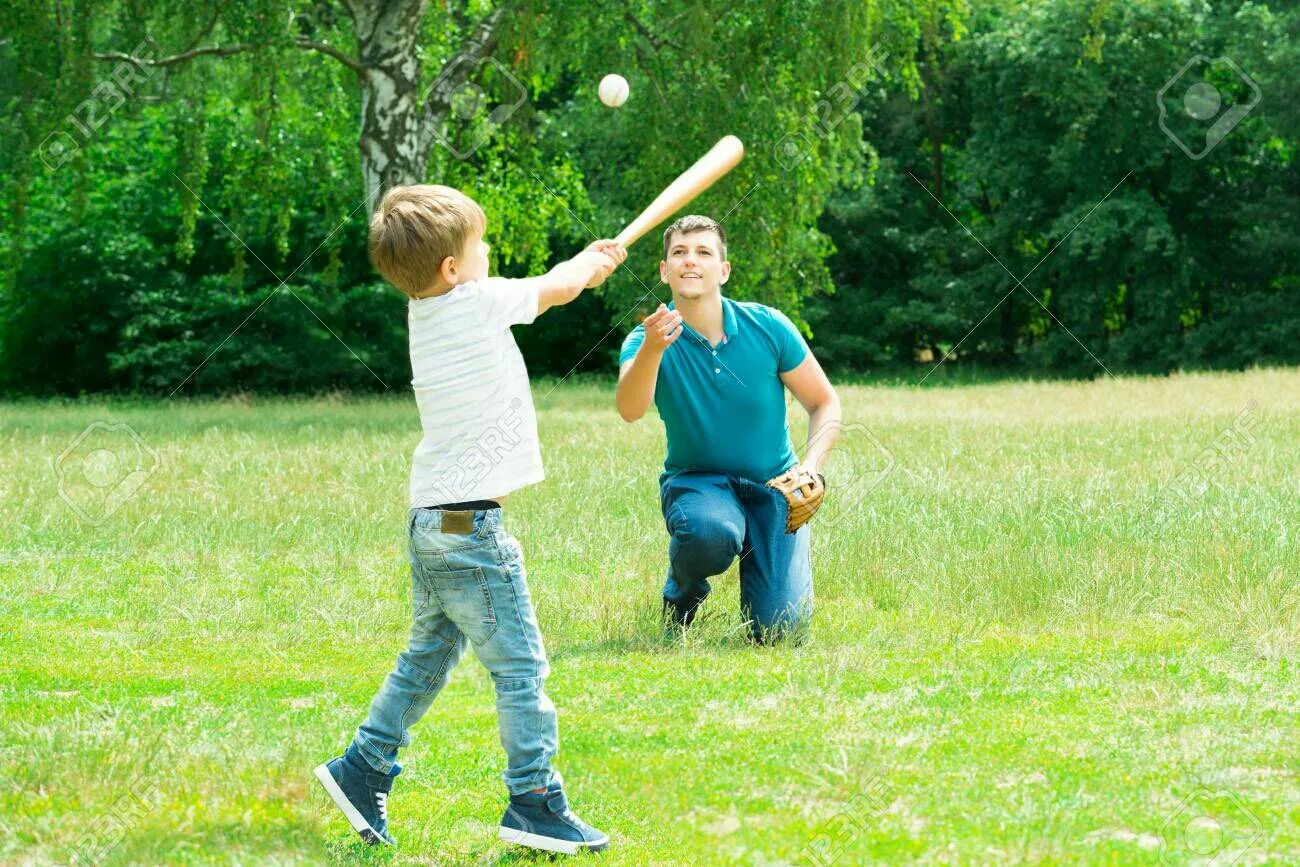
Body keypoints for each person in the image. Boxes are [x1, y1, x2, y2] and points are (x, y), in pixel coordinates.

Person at [314, 184, 625, 855]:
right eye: (478, 246)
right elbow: (560, 288)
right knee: (521, 668)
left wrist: (579, 264)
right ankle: (535, 801)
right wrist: (593, 262)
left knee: (429, 654)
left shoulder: (424, 313)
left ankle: (362, 765)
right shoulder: (476, 303)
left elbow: (548, 285)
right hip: (468, 528)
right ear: (453, 269)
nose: (486, 255)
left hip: (433, 521)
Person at [616, 215, 842, 642]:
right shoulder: (644, 340)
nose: (690, 261)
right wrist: (653, 350)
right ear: (665, 271)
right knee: (709, 533)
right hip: (699, 484)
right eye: (679, 253)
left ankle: (763, 586)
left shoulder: (769, 327)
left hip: (776, 488)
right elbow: (630, 409)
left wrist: (811, 467)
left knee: (779, 632)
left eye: (704, 252)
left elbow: (824, 402)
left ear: (723, 270)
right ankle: (682, 594)